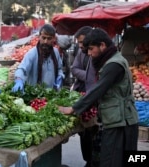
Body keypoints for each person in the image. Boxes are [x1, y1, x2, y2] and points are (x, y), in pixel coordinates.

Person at [59, 28, 138, 167]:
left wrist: (73, 108)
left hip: (120, 123)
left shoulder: (114, 65)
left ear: (102, 45)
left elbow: (97, 90)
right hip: (123, 119)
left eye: (91, 49)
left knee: (113, 162)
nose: (89, 54)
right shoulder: (114, 59)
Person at [71, 26, 98, 167]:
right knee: (85, 132)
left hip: (93, 98)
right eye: (79, 43)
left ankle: (93, 161)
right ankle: (88, 160)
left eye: (82, 42)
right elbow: (73, 69)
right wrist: (86, 76)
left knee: (95, 132)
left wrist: (88, 78)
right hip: (81, 94)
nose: (80, 46)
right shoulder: (81, 53)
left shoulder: (98, 55)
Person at [12, 24, 64, 92]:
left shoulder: (56, 53)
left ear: (53, 38)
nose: (45, 41)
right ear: (39, 37)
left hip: (52, 94)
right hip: (35, 95)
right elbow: (22, 68)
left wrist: (60, 76)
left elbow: (59, 69)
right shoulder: (32, 53)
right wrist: (19, 80)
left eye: (49, 38)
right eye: (43, 38)